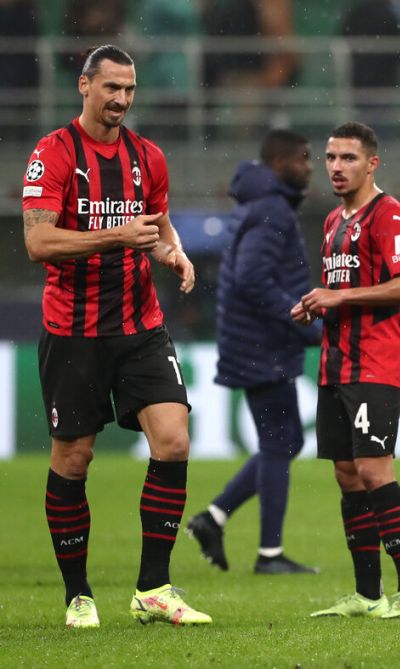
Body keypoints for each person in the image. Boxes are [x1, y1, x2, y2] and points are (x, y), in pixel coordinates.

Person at [21, 44, 209, 628]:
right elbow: (38, 244)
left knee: (174, 440)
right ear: (84, 86)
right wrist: (115, 237)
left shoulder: (147, 156)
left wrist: (171, 251)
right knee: (74, 459)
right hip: (72, 330)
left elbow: (154, 226)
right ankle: (78, 594)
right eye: (111, 89)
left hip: (141, 325)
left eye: (129, 90)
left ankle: (154, 586)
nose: (122, 100)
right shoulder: (51, 155)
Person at [293, 122, 400, 620]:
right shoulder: (333, 221)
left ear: (372, 163)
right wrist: (318, 305)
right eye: (330, 157)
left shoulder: (389, 216)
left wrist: (340, 295)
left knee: (374, 470)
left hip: (376, 362)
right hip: (336, 364)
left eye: (348, 158)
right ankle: (368, 594)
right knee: (348, 475)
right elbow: (343, 290)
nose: (336, 167)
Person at [185, 129, 320, 576]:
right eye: (303, 159)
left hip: (253, 341)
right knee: (280, 443)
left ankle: (215, 517)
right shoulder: (272, 210)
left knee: (285, 440)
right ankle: (269, 555)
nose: (311, 167)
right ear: (280, 163)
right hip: (262, 345)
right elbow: (252, 278)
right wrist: (301, 317)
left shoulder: (257, 204)